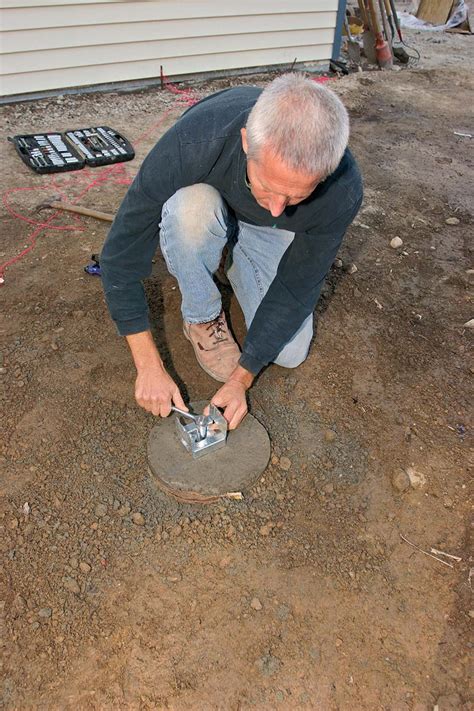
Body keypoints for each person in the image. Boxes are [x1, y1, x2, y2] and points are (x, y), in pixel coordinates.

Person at [100, 73, 363, 430]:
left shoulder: (342, 189)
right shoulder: (194, 141)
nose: (278, 208)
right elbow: (119, 255)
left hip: (264, 234)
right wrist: (148, 366)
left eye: (297, 195)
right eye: (269, 186)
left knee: (289, 353)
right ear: (245, 142)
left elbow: (297, 286)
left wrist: (241, 378)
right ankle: (202, 314)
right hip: (205, 202)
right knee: (190, 214)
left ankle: (233, 255)